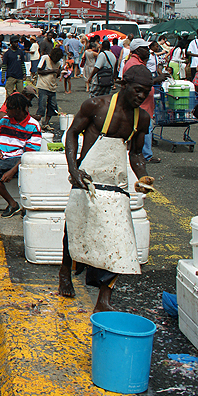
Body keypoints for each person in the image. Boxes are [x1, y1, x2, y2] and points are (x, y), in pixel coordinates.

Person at [58, 65, 155, 313]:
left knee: (121, 240)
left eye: (146, 93)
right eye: (138, 91)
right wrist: (73, 169)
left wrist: (143, 177)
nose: (141, 97)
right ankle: (65, 271)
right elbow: (72, 134)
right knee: (76, 227)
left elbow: (135, 154)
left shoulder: (141, 118)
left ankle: (104, 298)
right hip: (87, 178)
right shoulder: (96, 106)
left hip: (115, 185)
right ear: (124, 85)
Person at [0, 93, 42, 218]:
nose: (6, 111)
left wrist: (11, 171)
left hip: (20, 159)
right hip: (5, 159)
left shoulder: (33, 125)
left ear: (18, 109)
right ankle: (13, 204)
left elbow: (29, 154)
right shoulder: (4, 121)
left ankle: (23, 205)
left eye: (9, 109)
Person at [121, 38, 166, 163]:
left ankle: (142, 152)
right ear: (138, 50)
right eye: (145, 48)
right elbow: (138, 83)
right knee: (145, 128)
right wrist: (157, 79)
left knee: (143, 127)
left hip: (144, 103)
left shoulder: (137, 62)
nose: (148, 51)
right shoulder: (134, 64)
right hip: (140, 103)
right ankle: (145, 154)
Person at [34, 47, 63, 131]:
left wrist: (58, 72)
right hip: (43, 85)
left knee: (53, 107)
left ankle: (46, 123)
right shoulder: (45, 58)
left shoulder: (58, 63)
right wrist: (52, 70)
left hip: (52, 86)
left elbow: (56, 75)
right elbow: (39, 71)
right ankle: (39, 124)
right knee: (42, 106)